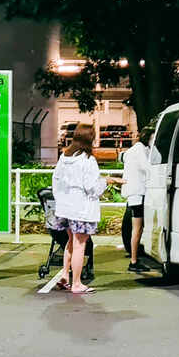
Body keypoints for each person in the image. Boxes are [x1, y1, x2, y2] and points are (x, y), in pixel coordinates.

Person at [51, 123, 117, 294]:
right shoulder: (88, 160)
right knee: (80, 245)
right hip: (81, 208)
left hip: (65, 207)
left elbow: (56, 181)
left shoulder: (64, 157)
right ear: (90, 139)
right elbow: (92, 188)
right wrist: (107, 181)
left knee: (70, 242)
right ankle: (77, 283)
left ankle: (65, 276)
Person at [119, 127, 154, 273]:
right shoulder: (140, 151)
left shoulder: (132, 150)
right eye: (152, 138)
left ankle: (135, 259)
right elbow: (149, 169)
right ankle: (134, 261)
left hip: (133, 193)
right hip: (137, 194)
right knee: (137, 228)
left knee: (136, 228)